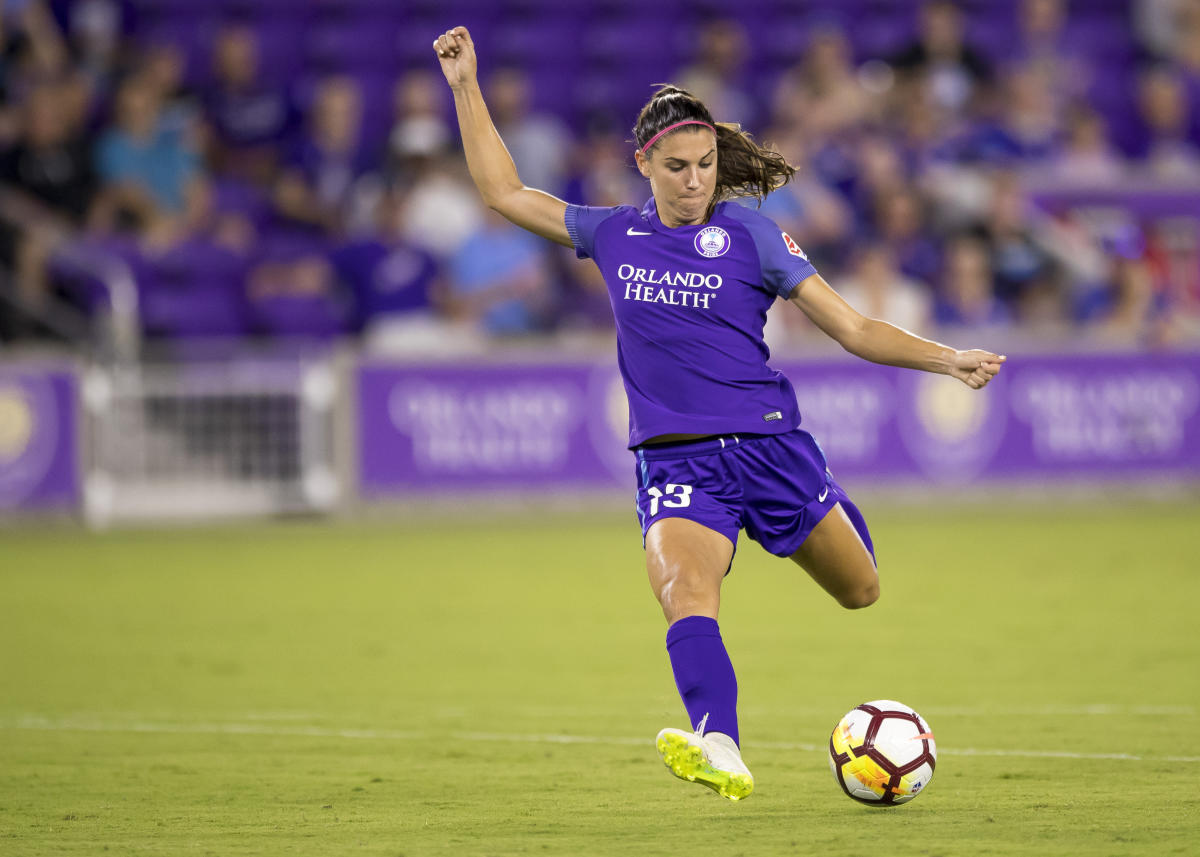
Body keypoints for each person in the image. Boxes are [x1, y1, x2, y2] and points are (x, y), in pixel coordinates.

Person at [433, 26, 1005, 802]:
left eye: (705, 164)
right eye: (677, 166)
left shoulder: (754, 236)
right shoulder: (612, 234)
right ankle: (720, 743)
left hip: (772, 450)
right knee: (686, 593)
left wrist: (949, 357)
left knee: (860, 589)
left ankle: (822, 508)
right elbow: (502, 193)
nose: (696, 180)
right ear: (644, 165)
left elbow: (854, 328)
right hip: (677, 460)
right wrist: (467, 84)